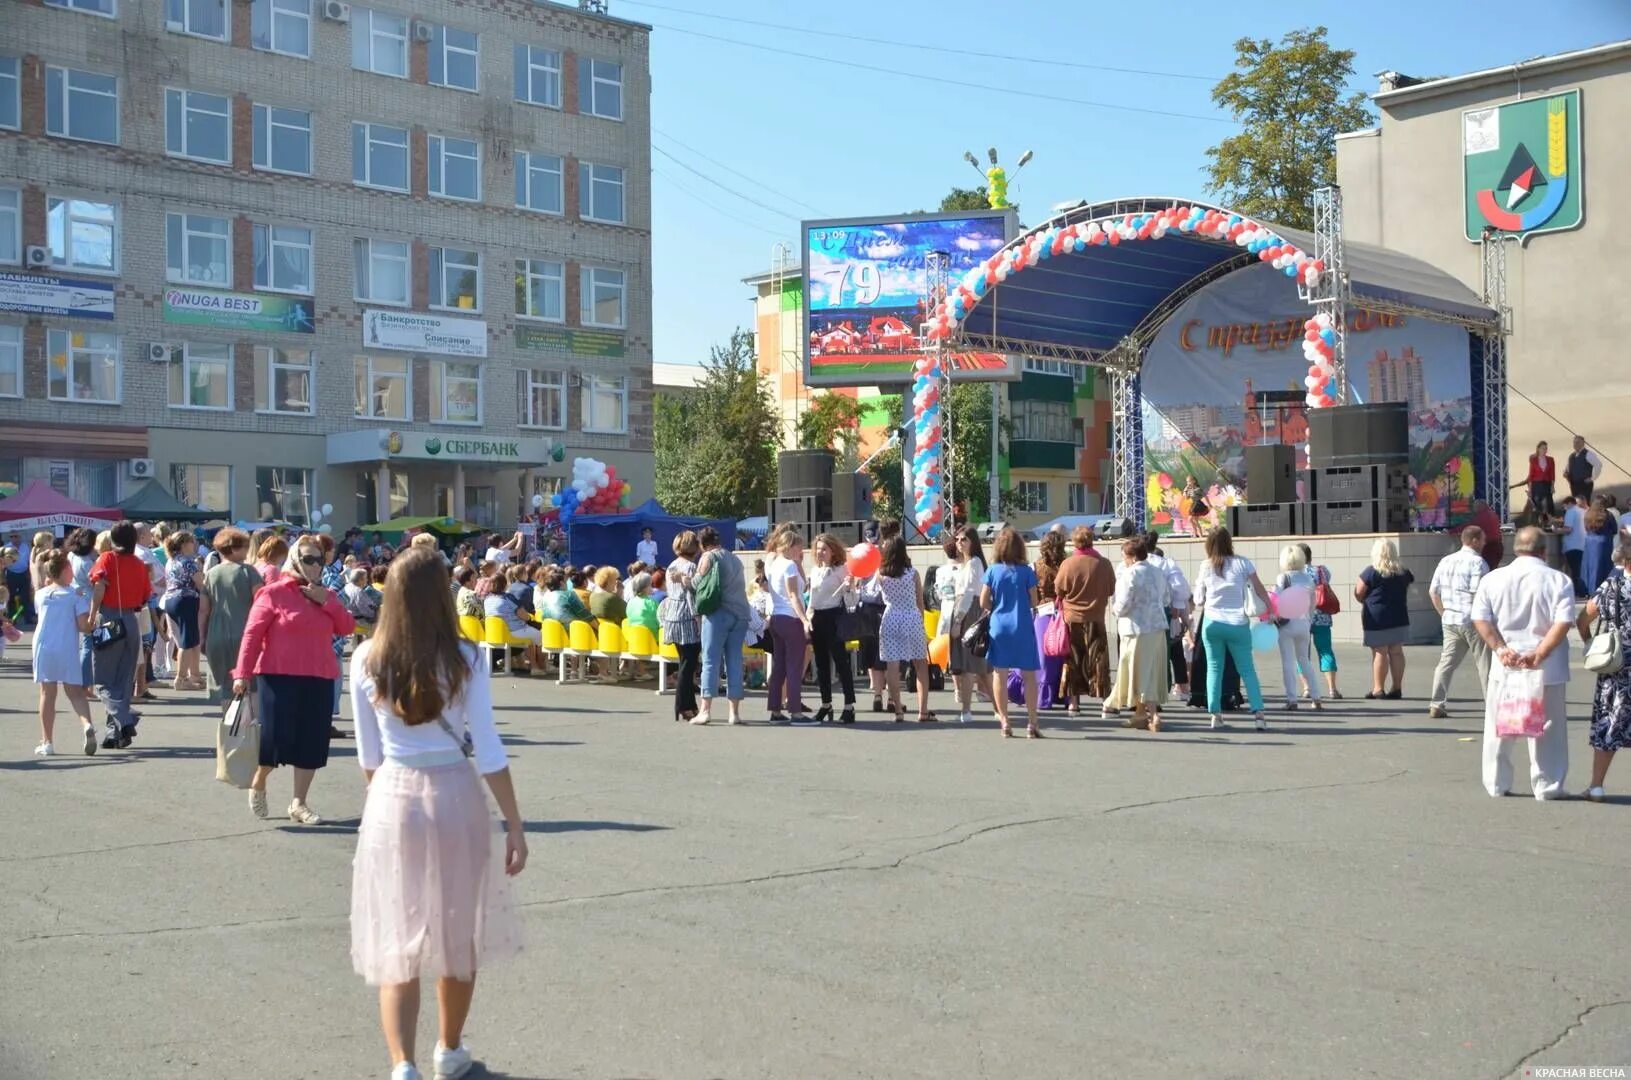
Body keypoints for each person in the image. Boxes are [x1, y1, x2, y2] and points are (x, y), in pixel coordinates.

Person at [349, 548, 525, 1080]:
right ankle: (449, 1050)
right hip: (454, 791)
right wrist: (514, 824)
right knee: (457, 930)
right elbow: (489, 749)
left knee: (395, 935)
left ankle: (402, 1064)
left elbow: (368, 759)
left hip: (393, 797)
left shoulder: (364, 659)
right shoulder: (467, 657)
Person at [233, 536, 357, 823]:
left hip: (319, 675)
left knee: (311, 742)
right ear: (294, 560)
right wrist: (242, 673)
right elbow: (252, 636)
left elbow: (347, 626)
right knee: (275, 738)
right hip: (278, 675)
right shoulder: (273, 593)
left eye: (319, 559)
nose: (314, 565)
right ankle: (259, 780)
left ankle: (299, 803)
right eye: (308, 559)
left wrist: (326, 601)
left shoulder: (328, 595)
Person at [1470, 526, 1573, 800]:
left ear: (1516, 548)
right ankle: (1547, 785)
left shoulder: (1493, 579)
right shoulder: (1559, 580)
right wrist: (1539, 653)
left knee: (1499, 726)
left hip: (1505, 665)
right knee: (1548, 730)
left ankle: (1496, 783)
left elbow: (1480, 618)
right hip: (1547, 668)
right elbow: (1563, 622)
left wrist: (1499, 648)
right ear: (1543, 549)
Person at [1192, 527, 1270, 731]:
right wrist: (1270, 608)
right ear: (1230, 542)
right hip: (1238, 624)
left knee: (1214, 668)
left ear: (1208, 544)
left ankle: (1215, 714)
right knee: (1247, 669)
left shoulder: (1205, 566)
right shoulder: (1243, 563)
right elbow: (1259, 588)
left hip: (1212, 623)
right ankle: (1259, 713)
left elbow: (1198, 599)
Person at [86, 521, 153, 750]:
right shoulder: (139, 564)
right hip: (131, 622)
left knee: (103, 680)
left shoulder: (106, 558)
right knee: (123, 680)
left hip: (109, 620)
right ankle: (115, 734)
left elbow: (99, 587)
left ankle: (124, 720)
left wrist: (92, 615)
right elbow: (146, 596)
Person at [1576, 536, 1631, 802]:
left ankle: (1596, 786)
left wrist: (1591, 644)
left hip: (1617, 662)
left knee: (1608, 721)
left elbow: (1584, 617)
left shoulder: (1612, 585)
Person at [31, 552, 98, 757]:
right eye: (69, 568)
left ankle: (47, 742)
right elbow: (84, 627)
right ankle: (87, 725)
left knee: (47, 693)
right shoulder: (75, 596)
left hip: (43, 646)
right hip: (66, 647)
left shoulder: (40, 594)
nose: (72, 571)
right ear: (63, 570)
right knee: (75, 693)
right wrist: (93, 618)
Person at [1104, 537, 1172, 730]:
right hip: (1157, 627)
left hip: (1136, 629)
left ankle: (1154, 715)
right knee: (1149, 670)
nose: (1124, 560)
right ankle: (1140, 714)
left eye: (1125, 556)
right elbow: (1166, 598)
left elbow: (1123, 603)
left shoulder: (1129, 574)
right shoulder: (1158, 572)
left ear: (1132, 557)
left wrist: (1115, 610)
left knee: (1139, 672)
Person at [981, 527, 1042, 738]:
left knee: (1000, 673)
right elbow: (1034, 600)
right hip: (1022, 626)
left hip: (999, 626)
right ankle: (1032, 722)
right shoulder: (1027, 572)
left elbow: (983, 601)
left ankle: (1005, 721)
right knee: (1029, 676)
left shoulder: (992, 571)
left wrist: (997, 606)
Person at [1427, 526, 1492, 720]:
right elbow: (1478, 594)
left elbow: (1433, 591)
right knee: (1485, 664)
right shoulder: (1478, 563)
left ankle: (1436, 703)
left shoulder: (1446, 560)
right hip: (1472, 619)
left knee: (1446, 663)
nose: (1485, 542)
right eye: (1482, 539)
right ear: (1474, 540)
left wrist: (1444, 613)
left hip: (1450, 619)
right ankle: (1492, 706)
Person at [866, 534, 932, 724]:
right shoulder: (912, 574)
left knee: (892, 666)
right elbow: (920, 602)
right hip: (911, 617)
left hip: (890, 617)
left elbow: (870, 594)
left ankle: (898, 712)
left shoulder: (881, 574)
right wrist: (921, 624)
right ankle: (923, 711)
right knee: (920, 665)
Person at [1053, 526, 1116, 717]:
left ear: (1074, 542)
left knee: (1073, 660)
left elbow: (1059, 590)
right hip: (1096, 617)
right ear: (1092, 541)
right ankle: (1106, 702)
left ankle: (1074, 704)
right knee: (1099, 660)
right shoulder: (1104, 564)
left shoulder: (1068, 564)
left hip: (1072, 618)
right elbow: (1111, 589)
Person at [198, 528, 264, 708]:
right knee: (251, 684)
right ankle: (250, 729)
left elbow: (203, 610)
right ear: (234, 549)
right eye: (244, 547)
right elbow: (261, 602)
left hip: (216, 634)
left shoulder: (211, 574)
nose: (247, 551)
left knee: (226, 688)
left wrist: (202, 636)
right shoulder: (248, 571)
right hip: (245, 632)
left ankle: (230, 727)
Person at [696, 525, 750, 726]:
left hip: (719, 613)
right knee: (734, 661)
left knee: (710, 660)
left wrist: (683, 579)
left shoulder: (709, 557)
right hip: (741, 614)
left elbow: (697, 582)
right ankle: (734, 713)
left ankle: (705, 710)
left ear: (703, 544)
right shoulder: (735, 558)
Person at [759, 527, 813, 723]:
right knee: (794, 665)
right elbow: (793, 595)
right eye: (799, 547)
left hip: (776, 618)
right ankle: (796, 711)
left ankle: (775, 709)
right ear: (791, 546)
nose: (801, 551)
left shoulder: (774, 565)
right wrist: (805, 619)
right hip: (790, 619)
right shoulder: (789, 565)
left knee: (779, 665)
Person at [806, 533, 857, 725]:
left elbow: (851, 601)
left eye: (824, 549)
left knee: (841, 663)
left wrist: (850, 587)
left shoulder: (841, 570)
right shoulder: (815, 571)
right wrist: (808, 618)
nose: (820, 553)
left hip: (834, 617)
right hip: (817, 618)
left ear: (833, 551)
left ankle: (849, 706)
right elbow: (811, 599)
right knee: (821, 664)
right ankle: (826, 703)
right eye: (818, 549)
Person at [940, 527, 989, 725]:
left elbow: (969, 594)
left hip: (968, 612)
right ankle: (997, 708)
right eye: (958, 539)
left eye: (964, 539)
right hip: (963, 609)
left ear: (973, 542)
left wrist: (958, 621)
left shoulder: (975, 563)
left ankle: (966, 709)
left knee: (970, 664)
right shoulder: (966, 563)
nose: (960, 542)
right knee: (980, 668)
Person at [1356, 538, 1414, 700]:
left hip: (1377, 616)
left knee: (1380, 652)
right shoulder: (1404, 572)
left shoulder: (1371, 571)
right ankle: (1396, 688)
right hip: (1399, 615)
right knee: (1396, 651)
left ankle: (1378, 689)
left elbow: (1359, 592)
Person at [1273, 545, 1323, 712]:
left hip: (1286, 623)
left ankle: (1292, 699)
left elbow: (1276, 601)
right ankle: (1316, 698)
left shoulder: (1282, 578)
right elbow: (1312, 604)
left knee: (1288, 661)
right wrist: (1308, 621)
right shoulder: (1308, 579)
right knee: (1305, 660)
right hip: (1303, 623)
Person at [158, 530, 206, 691]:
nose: (194, 545)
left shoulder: (171, 561)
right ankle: (181, 678)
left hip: (171, 600)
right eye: (192, 542)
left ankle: (194, 675)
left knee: (189, 639)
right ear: (185, 544)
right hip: (186, 600)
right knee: (187, 641)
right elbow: (201, 584)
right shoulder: (188, 562)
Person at [1145, 534, 1191, 699]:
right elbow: (1180, 588)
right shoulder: (1165, 564)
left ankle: (1148, 691)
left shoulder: (1134, 563)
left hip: (1143, 614)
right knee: (1170, 651)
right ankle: (1169, 688)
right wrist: (1177, 606)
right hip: (1165, 611)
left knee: (1148, 654)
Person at [1581, 496, 1619, 596]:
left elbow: (1586, 528)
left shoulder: (1588, 514)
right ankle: (1603, 590)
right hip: (1604, 542)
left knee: (1589, 567)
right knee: (1603, 567)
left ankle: (1589, 590)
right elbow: (1614, 529)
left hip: (1590, 542)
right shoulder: (1608, 514)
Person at [1521, 440, 1557, 522]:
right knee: (1537, 504)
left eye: (1546, 449)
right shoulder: (1533, 460)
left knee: (1548, 503)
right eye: (1542, 448)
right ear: (1538, 449)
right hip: (1536, 484)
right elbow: (1531, 475)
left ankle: (1549, 521)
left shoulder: (1550, 460)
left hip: (1547, 484)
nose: (1544, 450)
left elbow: (1552, 474)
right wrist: (1530, 489)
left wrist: (1552, 486)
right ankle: (1538, 522)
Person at [1560, 496, 1587, 597]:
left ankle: (1579, 591)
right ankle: (1583, 590)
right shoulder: (1583, 511)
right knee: (1580, 570)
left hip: (1572, 545)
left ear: (1569, 503)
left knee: (1575, 571)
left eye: (1564, 506)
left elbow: (1568, 529)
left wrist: (1557, 530)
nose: (1564, 508)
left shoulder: (1570, 511)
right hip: (1583, 544)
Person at [1469, 499, 1504, 571]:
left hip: (1490, 548)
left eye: (1475, 507)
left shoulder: (1482, 516)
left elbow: (1468, 526)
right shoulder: (1492, 514)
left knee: (1487, 570)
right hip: (1498, 546)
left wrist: (1451, 531)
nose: (1474, 509)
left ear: (1480, 507)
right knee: (1492, 569)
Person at [1565, 434, 1601, 503]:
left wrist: (1592, 478)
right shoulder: (1571, 456)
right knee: (1576, 504)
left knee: (1584, 504)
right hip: (1574, 485)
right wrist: (1566, 473)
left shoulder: (1588, 454)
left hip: (1584, 484)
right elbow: (1568, 468)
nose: (1576, 444)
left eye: (1578, 442)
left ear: (1583, 443)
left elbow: (1598, 465)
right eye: (1574, 442)